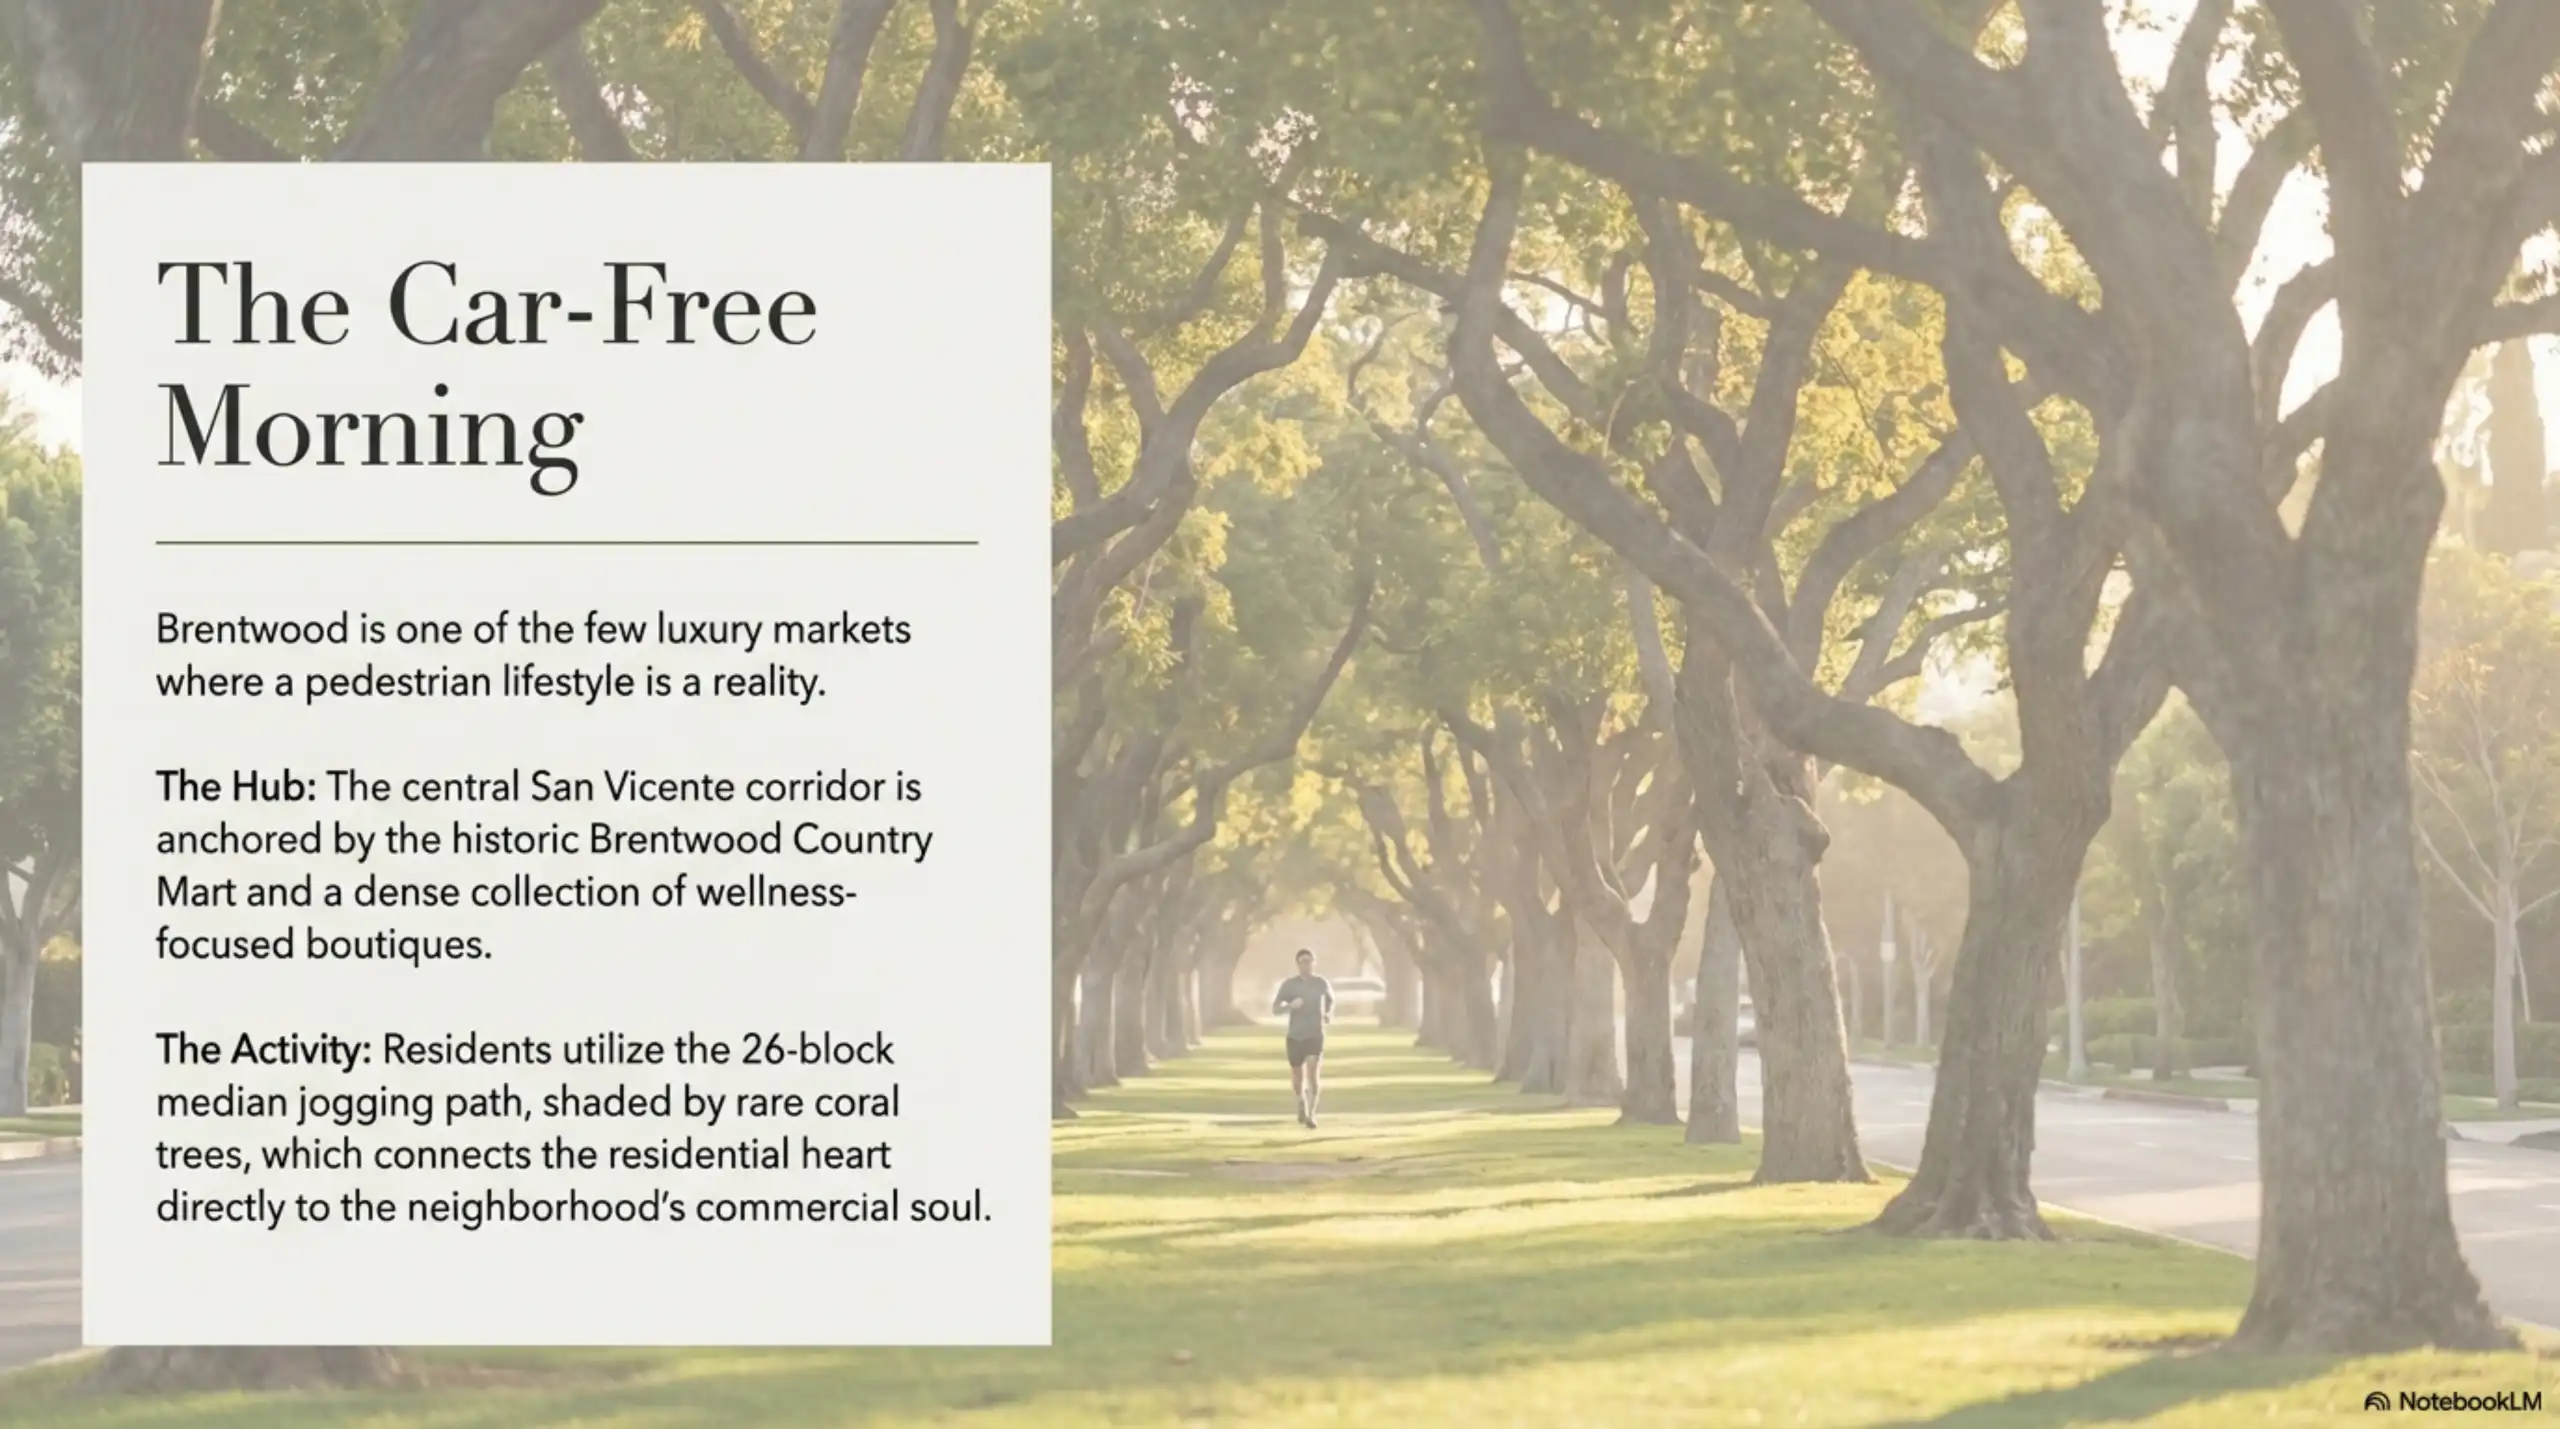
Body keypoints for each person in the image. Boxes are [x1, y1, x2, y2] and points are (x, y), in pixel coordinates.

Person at [1271, 948, 1334, 1128]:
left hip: (1315, 1033)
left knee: (1313, 1074)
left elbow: (1330, 1000)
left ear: (1314, 963)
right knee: (1297, 1076)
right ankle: (1301, 1101)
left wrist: (1328, 1013)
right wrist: (1291, 1006)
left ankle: (1311, 1115)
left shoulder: (1321, 983)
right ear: (1298, 964)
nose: (1307, 965)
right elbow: (1275, 1009)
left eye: (1309, 961)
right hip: (1295, 1035)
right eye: (1303, 961)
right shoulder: (1290, 985)